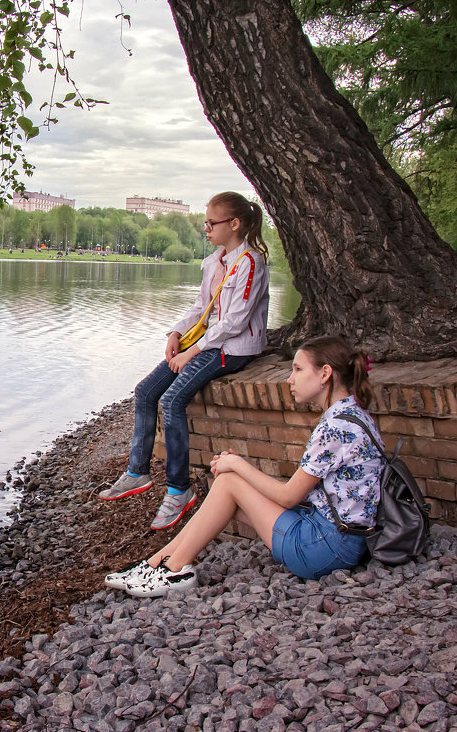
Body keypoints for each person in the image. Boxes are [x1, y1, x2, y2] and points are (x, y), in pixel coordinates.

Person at [105, 335, 384, 597]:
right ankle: (158, 563)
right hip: (341, 539)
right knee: (229, 495)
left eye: (298, 369)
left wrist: (237, 465)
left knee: (229, 482)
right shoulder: (353, 414)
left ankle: (173, 569)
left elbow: (289, 496)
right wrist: (237, 468)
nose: (290, 379)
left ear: (325, 374)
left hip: (325, 548)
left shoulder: (336, 428)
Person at [99, 192, 271, 530]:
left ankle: (179, 491)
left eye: (211, 223)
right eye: (205, 222)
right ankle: (137, 472)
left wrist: (193, 352)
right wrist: (176, 334)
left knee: (173, 399)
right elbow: (199, 309)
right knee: (146, 391)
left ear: (234, 224)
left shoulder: (250, 263)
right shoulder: (213, 262)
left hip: (234, 349)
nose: (205, 228)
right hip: (207, 343)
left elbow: (234, 323)